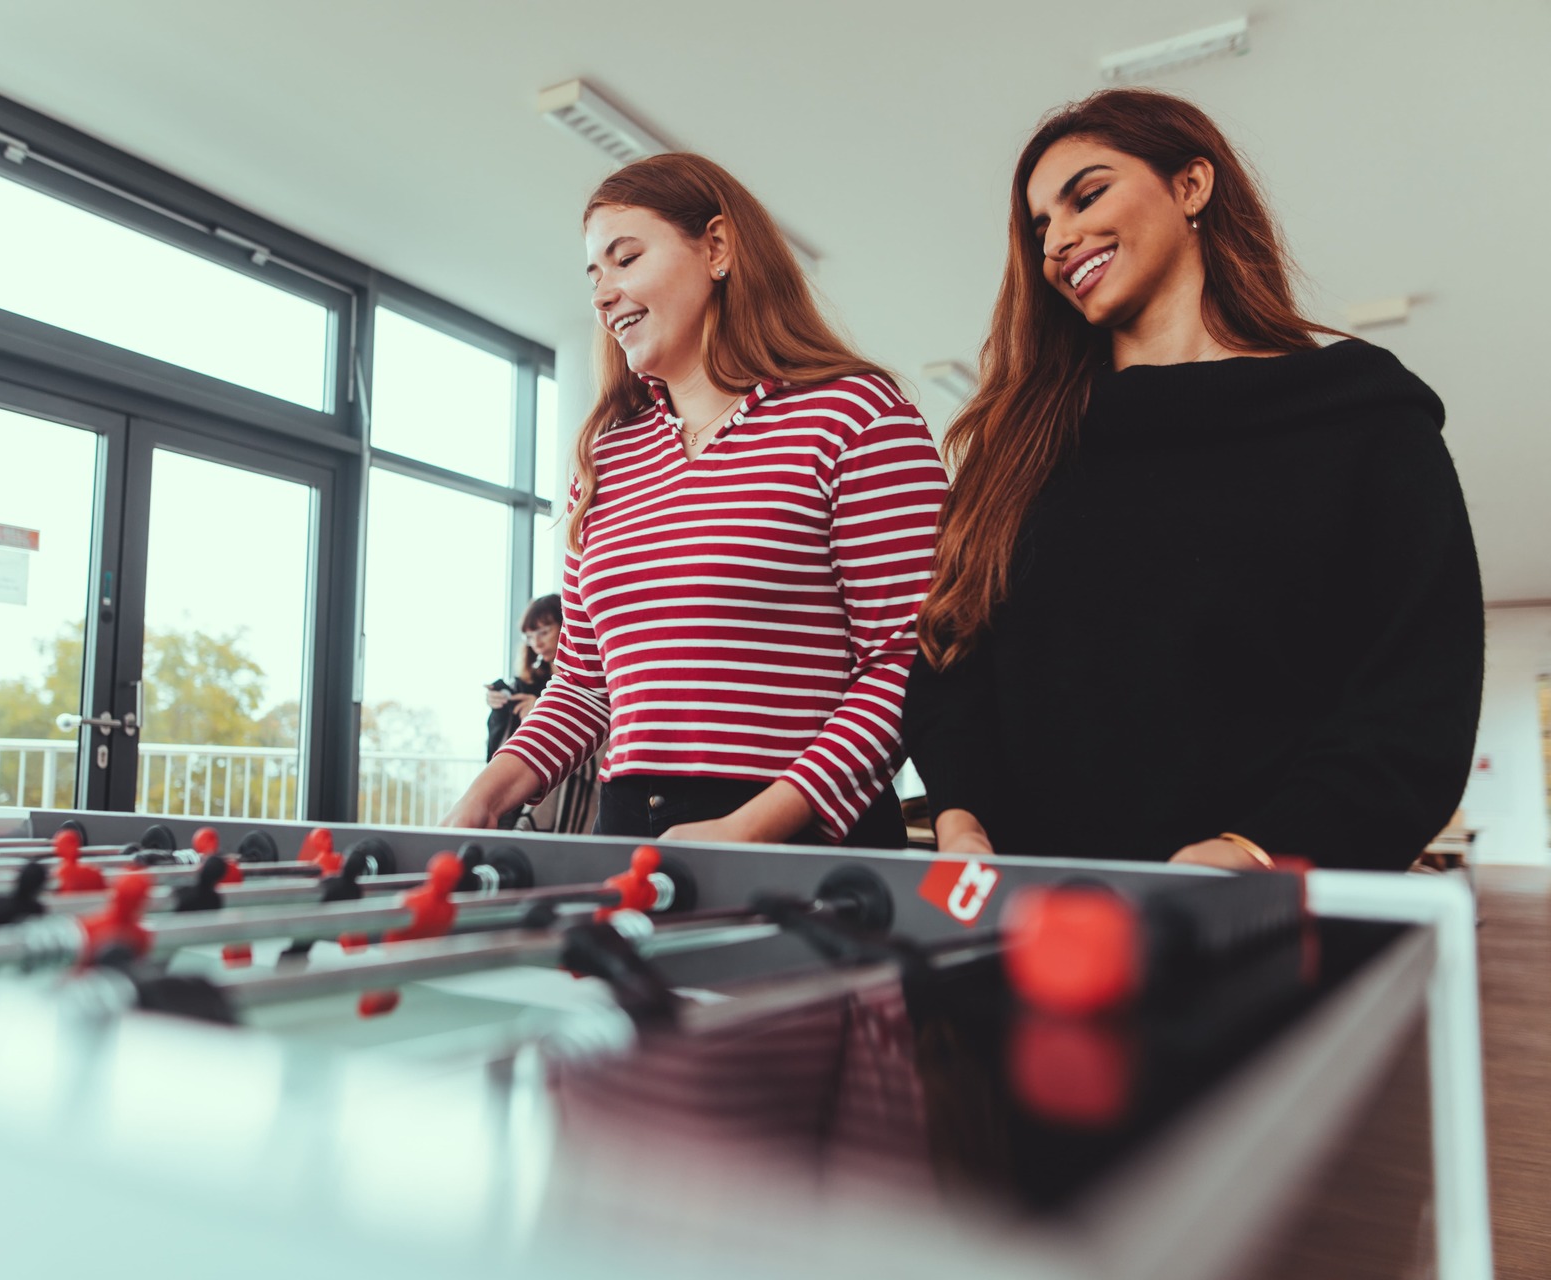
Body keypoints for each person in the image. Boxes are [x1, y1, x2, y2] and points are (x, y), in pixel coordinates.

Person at [901, 89, 1483, 872]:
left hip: (1264, 938)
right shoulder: (1017, 447)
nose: (1059, 241)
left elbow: (1414, 703)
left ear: (1191, 185)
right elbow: (948, 661)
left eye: (1087, 194)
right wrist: (961, 818)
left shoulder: (1362, 418)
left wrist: (1249, 856)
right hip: (1033, 930)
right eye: (1041, 227)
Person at [444, 153, 946, 848]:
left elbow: (907, 658)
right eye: (593, 274)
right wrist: (485, 793)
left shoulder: (856, 418)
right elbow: (586, 685)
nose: (602, 294)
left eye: (625, 259)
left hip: (801, 836)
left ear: (716, 248)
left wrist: (754, 825)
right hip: (629, 830)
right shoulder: (606, 459)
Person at [483, 594, 598, 833]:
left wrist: (541, 712)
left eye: (544, 632)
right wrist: (498, 708)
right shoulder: (524, 685)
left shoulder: (590, 686)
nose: (536, 643)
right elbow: (499, 743)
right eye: (529, 636)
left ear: (566, 626)